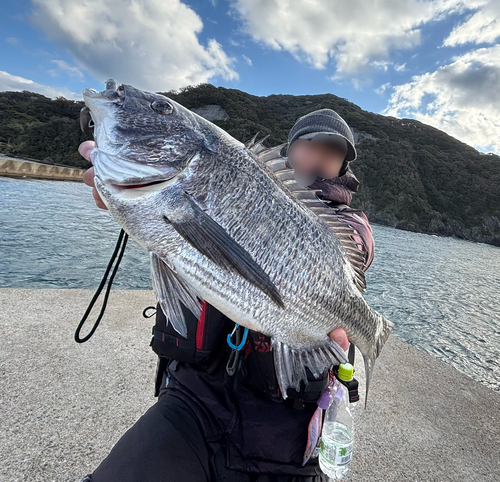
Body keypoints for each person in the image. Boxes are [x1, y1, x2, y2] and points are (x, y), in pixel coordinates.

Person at [77, 108, 374, 482]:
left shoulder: (349, 223)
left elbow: (357, 251)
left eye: (331, 152)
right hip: (194, 397)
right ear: (291, 148)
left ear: (341, 166)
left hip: (283, 429)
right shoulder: (240, 177)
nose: (318, 157)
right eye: (310, 145)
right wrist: (131, 200)